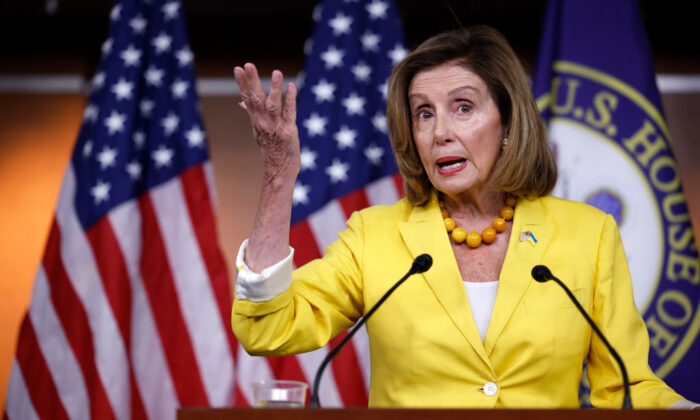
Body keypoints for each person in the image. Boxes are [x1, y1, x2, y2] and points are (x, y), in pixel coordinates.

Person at [231, 26, 695, 408]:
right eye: (424, 114)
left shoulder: (587, 235)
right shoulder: (374, 236)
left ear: (509, 122)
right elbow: (268, 328)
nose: (440, 133)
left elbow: (631, 388)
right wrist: (278, 176)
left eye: (463, 108)